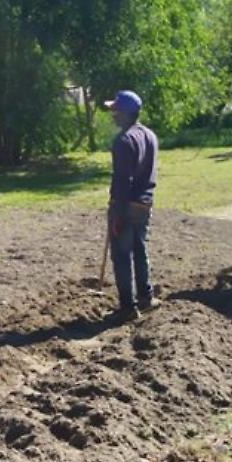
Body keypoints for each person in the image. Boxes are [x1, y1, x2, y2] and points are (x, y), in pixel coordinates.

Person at [105, 90, 158, 322]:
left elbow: (123, 180)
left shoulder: (123, 141)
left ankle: (128, 308)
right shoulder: (150, 135)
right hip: (145, 204)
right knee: (140, 249)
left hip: (126, 204)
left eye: (116, 110)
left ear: (126, 113)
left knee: (122, 256)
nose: (113, 115)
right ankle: (146, 298)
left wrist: (117, 213)